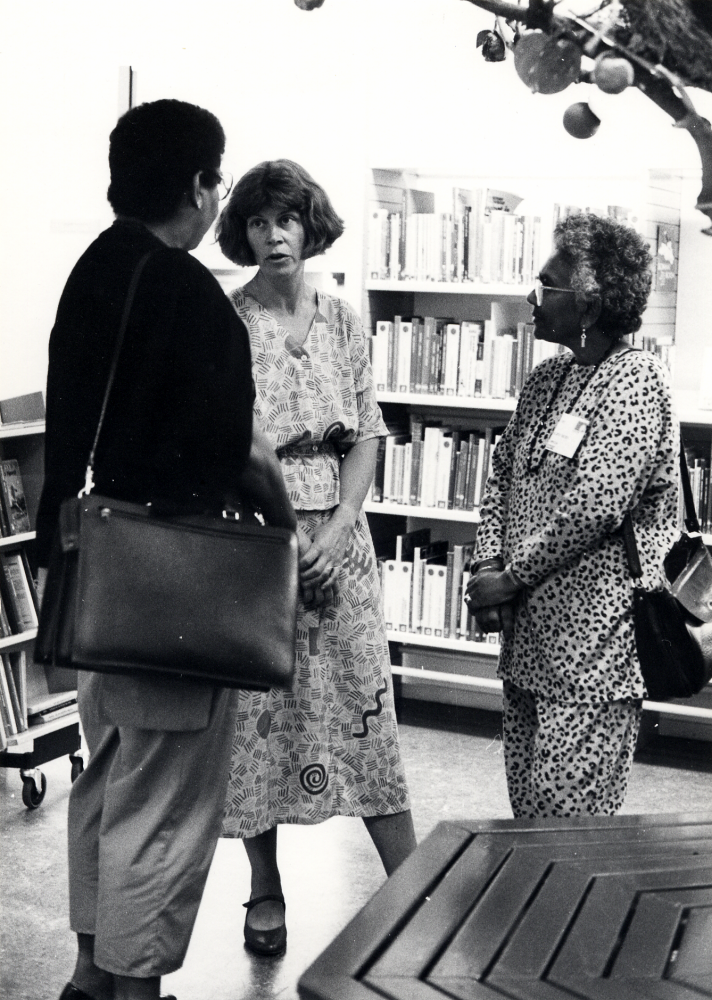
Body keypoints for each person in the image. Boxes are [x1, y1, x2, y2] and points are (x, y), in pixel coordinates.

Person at [35, 101, 297, 1000]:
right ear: (195, 183)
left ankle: (90, 978)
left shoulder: (95, 269)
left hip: (102, 574)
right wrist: (292, 536)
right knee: (165, 806)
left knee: (107, 781)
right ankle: (135, 991)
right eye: (217, 179)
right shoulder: (185, 290)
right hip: (177, 582)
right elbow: (244, 450)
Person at [216, 159, 417, 956]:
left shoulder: (342, 320)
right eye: (260, 222)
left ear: (310, 227)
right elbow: (228, 442)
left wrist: (336, 528)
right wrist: (286, 533)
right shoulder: (227, 322)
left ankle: (410, 884)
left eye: (287, 220)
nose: (274, 236)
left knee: (364, 706)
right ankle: (264, 888)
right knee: (257, 717)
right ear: (243, 233)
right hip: (260, 540)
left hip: (342, 541)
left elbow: (366, 430)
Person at [466, 213, 679, 820]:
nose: (532, 297)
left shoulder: (636, 381)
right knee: (530, 809)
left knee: (571, 819)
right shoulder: (546, 378)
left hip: (597, 646)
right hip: (529, 634)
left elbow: (595, 505)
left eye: (547, 283)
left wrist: (511, 576)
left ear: (589, 302)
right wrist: (486, 563)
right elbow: (502, 473)